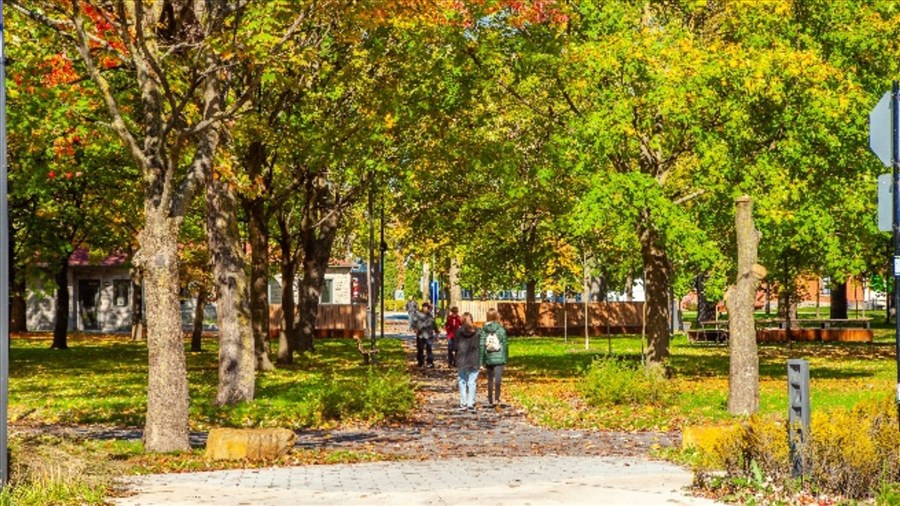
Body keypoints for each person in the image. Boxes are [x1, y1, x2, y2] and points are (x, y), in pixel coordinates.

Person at [479, 308, 508, 408]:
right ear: (496, 317)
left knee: (490, 379)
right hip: (499, 357)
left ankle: (490, 399)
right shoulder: (501, 329)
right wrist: (505, 357)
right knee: (498, 379)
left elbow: (482, 345)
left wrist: (481, 361)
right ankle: (497, 398)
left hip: (488, 357)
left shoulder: (484, 330)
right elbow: (505, 345)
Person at [455, 312, 480, 411]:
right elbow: (480, 346)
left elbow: (455, 346)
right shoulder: (478, 332)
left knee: (462, 381)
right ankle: (470, 402)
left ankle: (463, 402)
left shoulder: (458, 332)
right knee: (472, 382)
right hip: (474, 358)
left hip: (462, 359)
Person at [415, 302, 438, 368]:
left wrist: (436, 330)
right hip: (421, 335)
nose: (425, 309)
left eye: (427, 307)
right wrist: (416, 328)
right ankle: (420, 362)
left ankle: (430, 362)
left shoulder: (430, 315)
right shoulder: (418, 315)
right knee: (420, 349)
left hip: (429, 334)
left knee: (429, 349)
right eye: (424, 307)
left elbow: (433, 323)